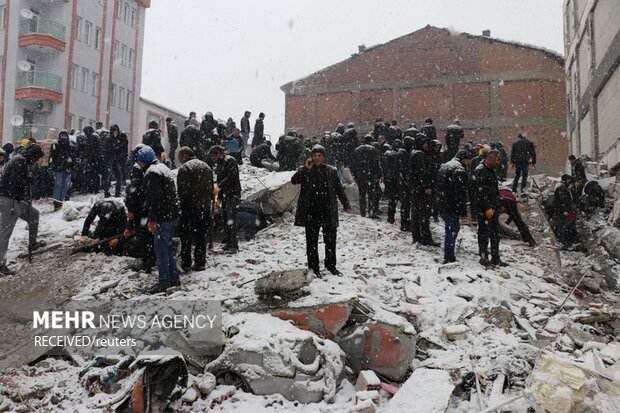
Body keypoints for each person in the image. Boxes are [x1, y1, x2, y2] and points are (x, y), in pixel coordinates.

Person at [292, 145, 351, 276]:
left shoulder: (331, 171)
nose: (317, 158)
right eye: (314, 155)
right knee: (311, 242)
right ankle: (314, 268)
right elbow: (294, 180)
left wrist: (345, 204)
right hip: (311, 211)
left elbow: (339, 189)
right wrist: (306, 168)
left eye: (319, 155)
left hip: (328, 210)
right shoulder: (306, 170)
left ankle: (331, 266)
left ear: (324, 157)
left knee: (330, 240)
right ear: (311, 157)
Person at [136, 146, 180, 293]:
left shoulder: (151, 173)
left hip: (163, 217)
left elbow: (155, 199)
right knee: (167, 249)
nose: (138, 164)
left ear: (144, 161)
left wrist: (152, 219)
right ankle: (174, 279)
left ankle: (164, 283)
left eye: (140, 162)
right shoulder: (163, 168)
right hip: (173, 215)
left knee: (161, 251)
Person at [0, 143, 45, 274]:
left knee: (33, 215)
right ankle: (1, 264)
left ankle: (33, 243)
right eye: (36, 158)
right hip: (9, 200)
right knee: (5, 232)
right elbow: (14, 180)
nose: (36, 161)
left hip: (16, 199)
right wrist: (27, 179)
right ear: (33, 155)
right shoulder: (20, 161)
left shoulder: (19, 159)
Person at [177, 147, 213, 272]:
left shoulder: (185, 168)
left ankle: (186, 263)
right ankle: (200, 262)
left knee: (186, 236)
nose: (179, 160)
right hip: (204, 208)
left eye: (180, 157)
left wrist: (181, 206)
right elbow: (211, 189)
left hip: (189, 208)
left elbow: (182, 192)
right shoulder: (206, 167)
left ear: (185, 156)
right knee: (200, 236)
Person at [437, 149, 474, 263]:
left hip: (442, 202)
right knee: (452, 229)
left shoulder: (445, 165)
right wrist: (462, 211)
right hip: (451, 205)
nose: (469, 163)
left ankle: (449, 253)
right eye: (469, 160)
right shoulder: (459, 170)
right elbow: (460, 192)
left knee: (452, 228)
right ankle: (449, 256)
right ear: (464, 159)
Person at [125, 145, 155, 272]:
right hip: (147, 206)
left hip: (140, 208)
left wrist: (131, 208)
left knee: (143, 235)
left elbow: (134, 191)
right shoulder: (150, 169)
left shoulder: (137, 170)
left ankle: (146, 260)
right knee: (148, 235)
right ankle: (150, 258)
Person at [473, 149, 506, 267]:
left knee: (495, 234)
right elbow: (480, 192)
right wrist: (487, 207)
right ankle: (484, 257)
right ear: (490, 158)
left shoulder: (492, 170)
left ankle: (496, 258)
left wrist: (499, 204)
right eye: (497, 159)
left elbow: (494, 190)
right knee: (484, 233)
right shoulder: (480, 170)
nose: (498, 162)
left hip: (493, 206)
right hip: (483, 208)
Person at [210, 145, 241, 253]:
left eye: (213, 155)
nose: (213, 158)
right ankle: (228, 243)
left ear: (219, 153)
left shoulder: (230, 161)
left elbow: (232, 177)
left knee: (230, 219)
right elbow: (219, 180)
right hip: (224, 195)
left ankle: (234, 245)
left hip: (232, 194)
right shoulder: (219, 163)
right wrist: (218, 197)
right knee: (225, 219)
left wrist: (219, 187)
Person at [409, 134, 438, 246]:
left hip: (416, 189)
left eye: (427, 143)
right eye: (424, 143)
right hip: (421, 190)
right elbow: (422, 172)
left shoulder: (414, 153)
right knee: (424, 214)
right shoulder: (420, 155)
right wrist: (427, 186)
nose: (426, 145)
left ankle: (417, 236)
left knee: (416, 213)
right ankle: (425, 237)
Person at [351, 136, 382, 218]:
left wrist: (355, 175)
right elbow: (376, 163)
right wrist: (378, 174)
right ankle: (371, 212)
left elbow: (353, 164)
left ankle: (363, 213)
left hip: (360, 176)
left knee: (362, 195)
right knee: (371, 194)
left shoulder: (357, 150)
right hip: (370, 175)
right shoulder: (372, 150)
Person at [50, 130, 76, 210]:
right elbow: (53, 157)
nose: (64, 137)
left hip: (67, 169)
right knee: (58, 185)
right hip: (59, 169)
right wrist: (55, 166)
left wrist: (72, 165)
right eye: (62, 136)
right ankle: (57, 202)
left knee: (65, 186)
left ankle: (60, 202)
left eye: (65, 136)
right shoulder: (56, 145)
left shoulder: (71, 145)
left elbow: (74, 156)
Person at [382, 140, 402, 224]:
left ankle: (390, 217)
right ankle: (392, 216)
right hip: (395, 178)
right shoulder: (398, 155)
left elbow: (384, 166)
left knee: (392, 198)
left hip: (389, 178)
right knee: (396, 198)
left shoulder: (387, 153)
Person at [397, 136, 414, 231]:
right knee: (405, 204)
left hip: (403, 182)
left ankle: (405, 223)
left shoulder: (403, 152)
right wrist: (405, 180)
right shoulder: (403, 153)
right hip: (404, 183)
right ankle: (405, 224)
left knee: (406, 204)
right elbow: (402, 169)